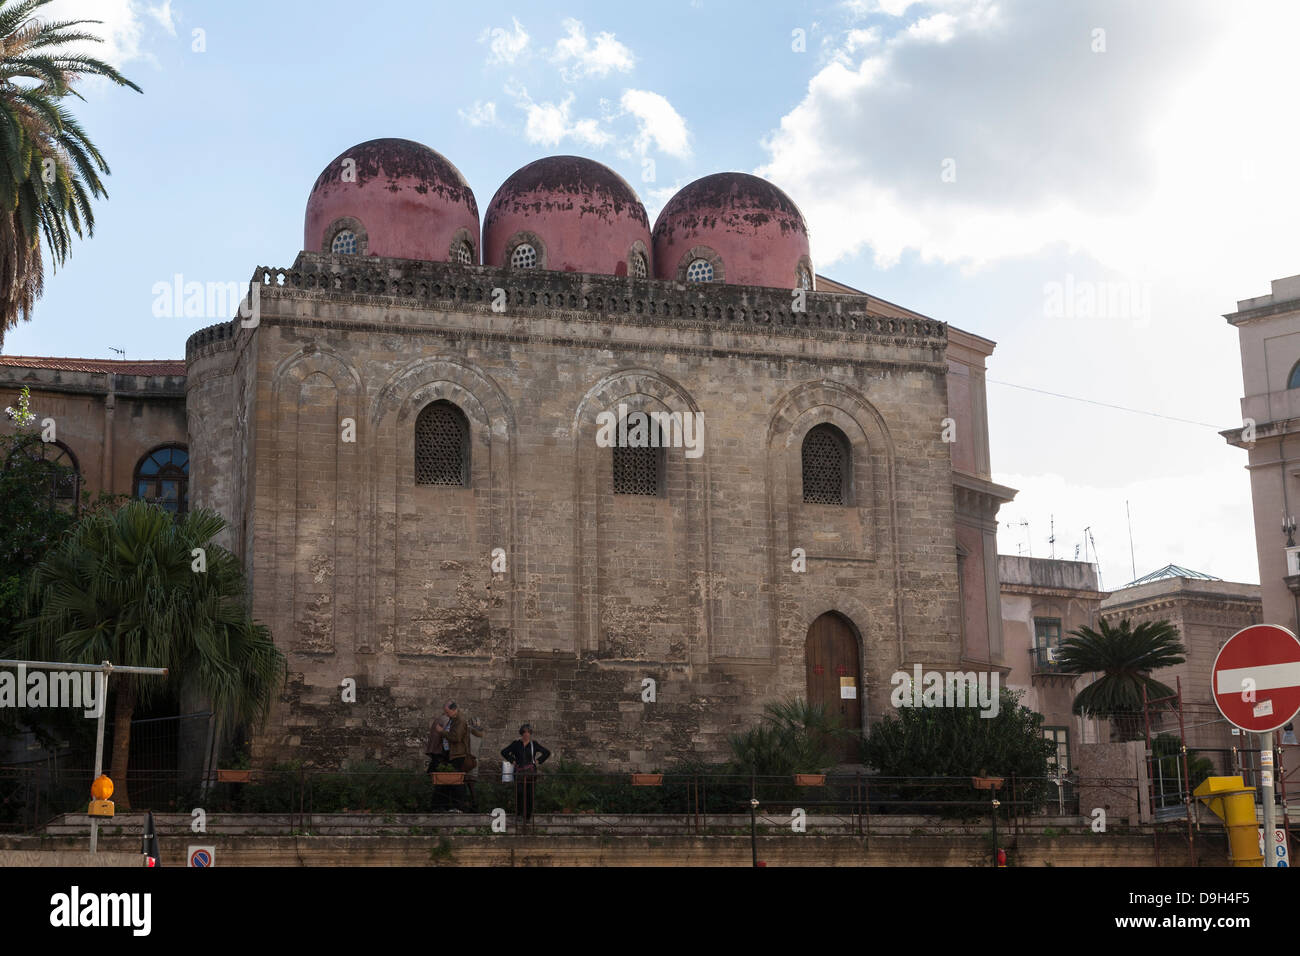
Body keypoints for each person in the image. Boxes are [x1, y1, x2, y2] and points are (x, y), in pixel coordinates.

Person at [501, 724, 550, 822]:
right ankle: (519, 815)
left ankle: (527, 816)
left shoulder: (534, 744)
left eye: (528, 732)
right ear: (521, 733)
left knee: (529, 794)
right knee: (519, 793)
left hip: (530, 773)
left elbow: (547, 752)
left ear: (530, 733)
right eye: (524, 732)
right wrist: (512, 760)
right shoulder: (516, 744)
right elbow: (504, 752)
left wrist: (538, 761)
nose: (526, 734)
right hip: (519, 772)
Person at [444, 701, 471, 811]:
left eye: (447, 712)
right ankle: (456, 806)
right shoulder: (453, 720)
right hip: (453, 754)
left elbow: (456, 737)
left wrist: (442, 732)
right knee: (454, 781)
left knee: (457, 781)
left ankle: (459, 806)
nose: (446, 714)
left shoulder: (460, 721)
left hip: (458, 755)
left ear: (454, 710)